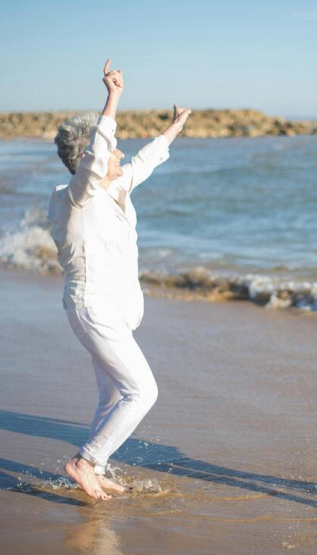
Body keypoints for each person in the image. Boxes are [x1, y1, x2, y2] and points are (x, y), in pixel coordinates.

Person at [49, 59, 191, 500]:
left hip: (113, 311)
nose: (118, 155)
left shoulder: (112, 189)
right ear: (89, 155)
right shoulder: (74, 197)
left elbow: (144, 162)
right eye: (112, 150)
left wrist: (174, 129)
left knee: (112, 395)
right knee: (142, 391)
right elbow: (97, 159)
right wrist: (114, 97)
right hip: (93, 306)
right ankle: (85, 461)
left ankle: (98, 465)